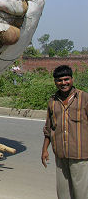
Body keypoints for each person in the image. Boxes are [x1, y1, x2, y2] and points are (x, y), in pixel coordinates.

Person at [41, 65, 88, 199]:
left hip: (80, 156)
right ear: (55, 82)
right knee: (63, 194)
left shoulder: (84, 98)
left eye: (66, 79)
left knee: (81, 193)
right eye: (59, 80)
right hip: (61, 155)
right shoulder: (52, 101)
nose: (63, 83)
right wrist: (45, 150)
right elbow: (48, 129)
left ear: (72, 79)